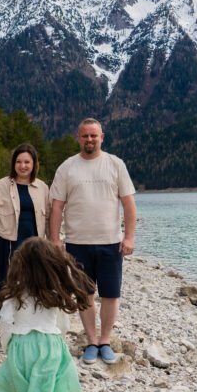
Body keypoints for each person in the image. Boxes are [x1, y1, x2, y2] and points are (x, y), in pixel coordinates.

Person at [0, 237, 94, 392]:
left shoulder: (15, 292)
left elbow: (5, 320)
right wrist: (60, 338)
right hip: (50, 344)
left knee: (31, 391)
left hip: (21, 345)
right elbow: (63, 324)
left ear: (21, 264)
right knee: (54, 388)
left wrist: (7, 346)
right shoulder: (54, 292)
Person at [49, 117, 137, 365]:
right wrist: (55, 239)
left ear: (102, 137)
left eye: (94, 136)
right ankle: (91, 341)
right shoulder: (67, 167)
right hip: (77, 243)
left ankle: (105, 341)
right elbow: (57, 206)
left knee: (110, 294)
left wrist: (129, 237)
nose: (89, 140)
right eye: (85, 135)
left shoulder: (115, 164)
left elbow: (129, 205)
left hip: (110, 242)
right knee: (84, 294)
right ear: (78, 137)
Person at [0, 143, 49, 326]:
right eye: (19, 161)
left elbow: (49, 218)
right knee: (6, 285)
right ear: (13, 163)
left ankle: (27, 324)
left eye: (27, 162)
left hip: (34, 247)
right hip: (6, 243)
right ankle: (5, 325)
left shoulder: (42, 187)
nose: (23, 166)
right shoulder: (2, 185)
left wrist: (52, 246)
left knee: (31, 285)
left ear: (34, 164)